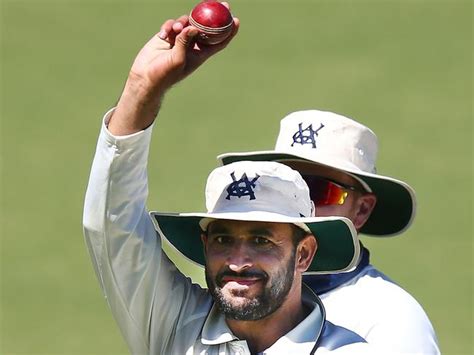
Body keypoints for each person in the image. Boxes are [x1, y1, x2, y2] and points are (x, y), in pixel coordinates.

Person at [82, 10, 384, 354]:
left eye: (262, 239)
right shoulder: (177, 324)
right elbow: (112, 224)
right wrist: (141, 89)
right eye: (223, 238)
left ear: (303, 253)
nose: (238, 261)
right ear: (204, 243)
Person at [218, 110, 440, 353]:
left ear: (362, 210)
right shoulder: (234, 288)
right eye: (285, 187)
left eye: (319, 190)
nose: (298, 203)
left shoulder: (392, 318)